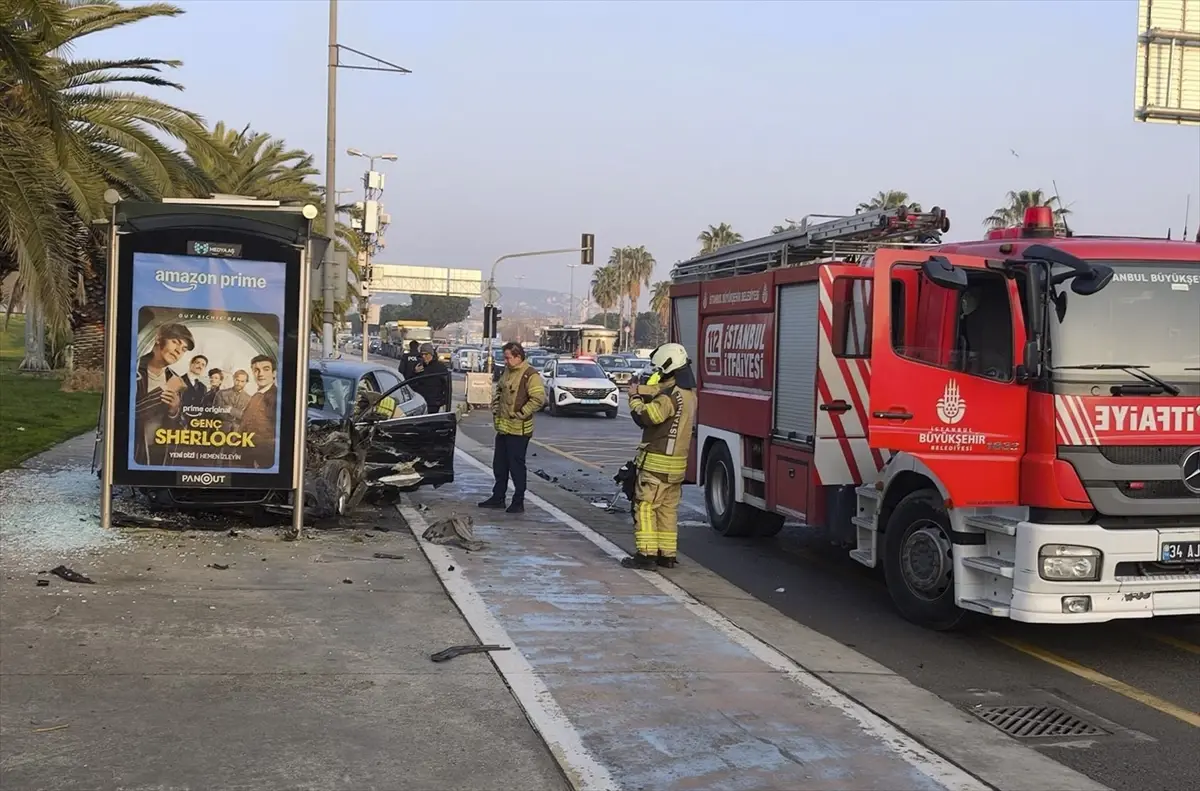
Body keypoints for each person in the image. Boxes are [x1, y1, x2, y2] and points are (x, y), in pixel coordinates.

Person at [620, 342, 697, 570]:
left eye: (660, 369)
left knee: (644, 507)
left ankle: (646, 555)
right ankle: (667, 555)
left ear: (667, 366)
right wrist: (642, 390)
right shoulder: (688, 394)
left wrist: (633, 399)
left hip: (656, 464)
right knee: (667, 510)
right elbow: (660, 390)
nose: (657, 373)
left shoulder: (668, 398)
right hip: (677, 467)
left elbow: (647, 417)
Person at [478, 342, 545, 514]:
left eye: (508, 358)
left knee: (516, 467)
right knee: (499, 465)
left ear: (518, 357)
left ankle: (518, 500)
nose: (506, 361)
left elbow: (538, 399)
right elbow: (500, 391)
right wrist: (495, 407)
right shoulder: (507, 372)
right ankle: (498, 497)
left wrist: (521, 413)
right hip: (503, 429)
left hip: (519, 430)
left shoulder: (530, 375)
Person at [133, 322, 194, 466]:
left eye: (184, 349)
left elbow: (181, 426)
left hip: (161, 455)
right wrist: (164, 389)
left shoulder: (176, 379)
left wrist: (174, 410)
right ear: (159, 339)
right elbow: (125, 417)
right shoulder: (133, 370)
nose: (179, 351)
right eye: (175, 342)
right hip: (136, 452)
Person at [239, 355, 278, 469]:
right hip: (247, 457)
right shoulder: (256, 396)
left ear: (274, 373)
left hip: (262, 460)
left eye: (266, 369)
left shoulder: (276, 397)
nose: (260, 374)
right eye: (256, 370)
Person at [410, 342, 450, 413]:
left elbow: (447, 386)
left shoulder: (440, 367)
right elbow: (411, 382)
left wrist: (443, 401)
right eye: (422, 354)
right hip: (420, 402)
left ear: (431, 354)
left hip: (433, 403)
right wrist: (414, 372)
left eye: (426, 354)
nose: (424, 356)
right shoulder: (418, 366)